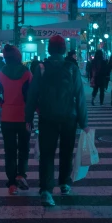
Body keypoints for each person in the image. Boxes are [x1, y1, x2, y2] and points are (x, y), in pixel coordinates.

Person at [25, 35, 88, 207]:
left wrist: (28, 116)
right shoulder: (72, 68)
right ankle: (65, 184)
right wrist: (84, 122)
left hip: (47, 117)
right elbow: (80, 96)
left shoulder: (41, 68)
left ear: (49, 49)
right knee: (66, 151)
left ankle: (46, 190)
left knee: (47, 154)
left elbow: (32, 94)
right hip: (69, 117)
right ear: (64, 49)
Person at [0, 45, 34, 195]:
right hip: (24, 117)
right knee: (24, 149)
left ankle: (11, 185)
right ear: (18, 56)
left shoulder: (1, 74)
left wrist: (4, 104)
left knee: (10, 151)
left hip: (7, 118)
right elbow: (32, 96)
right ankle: (21, 175)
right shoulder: (27, 74)